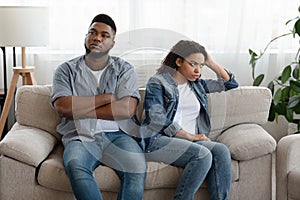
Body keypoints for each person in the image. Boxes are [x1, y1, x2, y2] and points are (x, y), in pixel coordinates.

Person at [51, 14, 146, 200]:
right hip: (80, 136)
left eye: (104, 35)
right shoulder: (66, 70)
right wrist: (106, 98)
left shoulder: (124, 69)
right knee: (75, 165)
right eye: (92, 33)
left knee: (136, 168)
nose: (97, 38)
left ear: (112, 43)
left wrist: (79, 108)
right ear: (86, 37)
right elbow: (63, 107)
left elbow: (126, 110)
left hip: (119, 136)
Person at [140, 40, 239, 200]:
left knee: (221, 150)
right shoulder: (157, 82)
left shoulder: (198, 85)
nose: (198, 70)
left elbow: (231, 84)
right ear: (178, 61)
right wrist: (190, 136)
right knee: (202, 155)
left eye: (201, 66)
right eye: (193, 64)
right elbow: (156, 118)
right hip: (159, 140)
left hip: (191, 143)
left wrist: (210, 62)